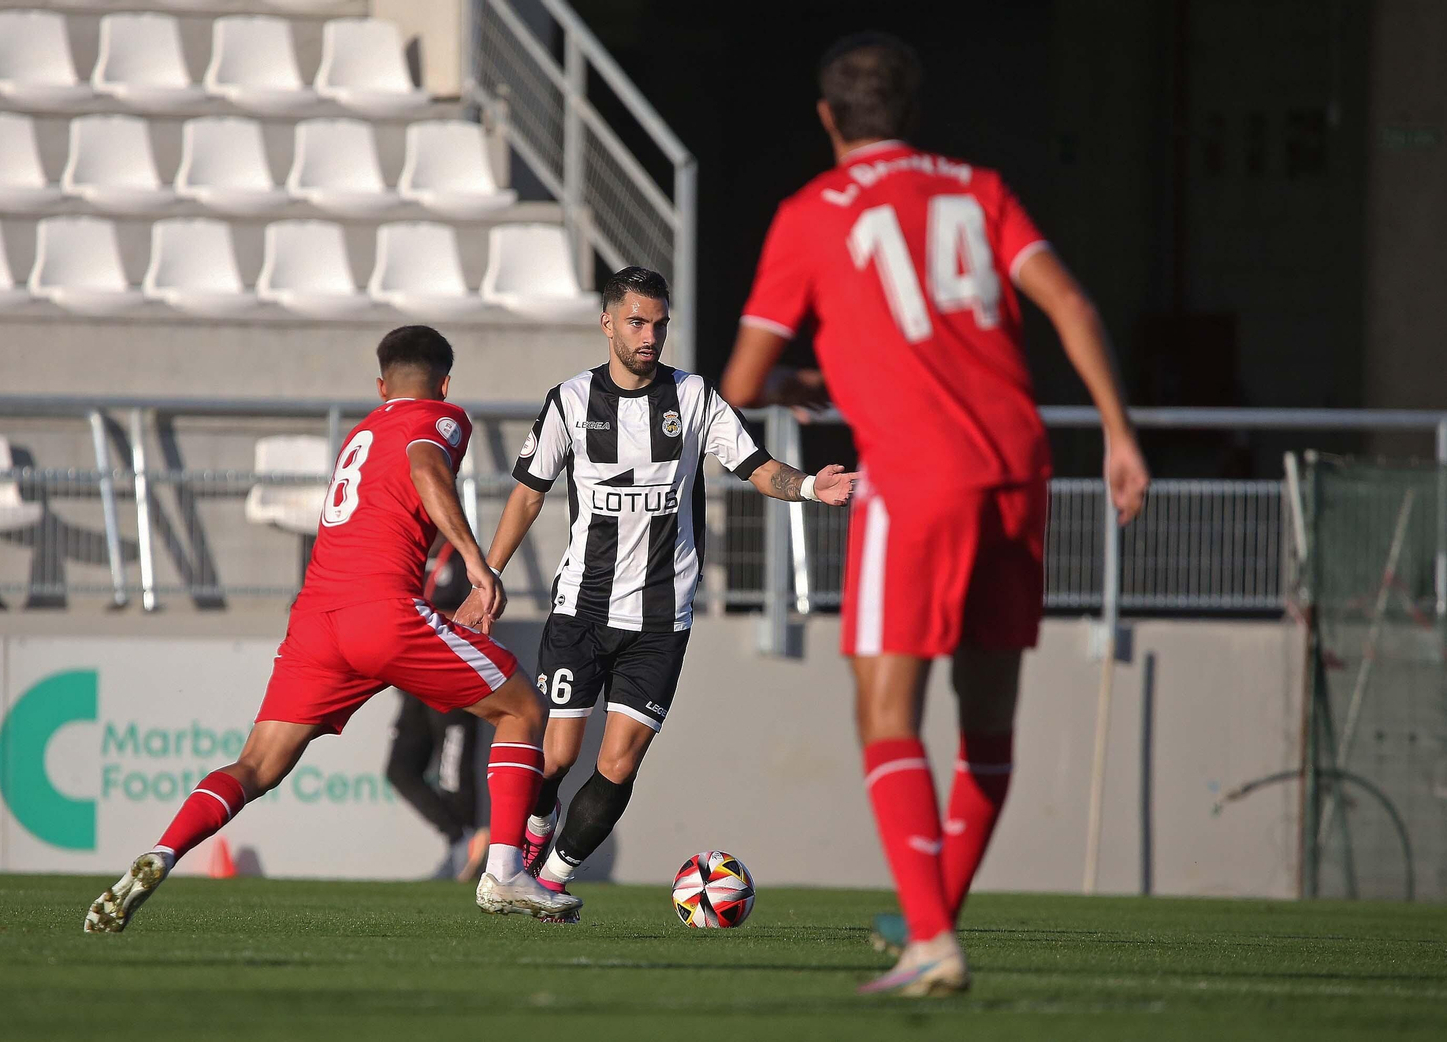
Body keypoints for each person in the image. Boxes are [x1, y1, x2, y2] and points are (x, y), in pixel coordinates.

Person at [721, 33, 1150, 996]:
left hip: (916, 479)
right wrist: (1121, 436)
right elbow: (1071, 304)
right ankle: (930, 918)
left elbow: (742, 382)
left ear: (829, 119)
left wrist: (798, 378)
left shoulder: (809, 213)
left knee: (885, 708)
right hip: (1019, 469)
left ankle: (931, 940)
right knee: (988, 723)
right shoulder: (978, 188)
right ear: (911, 116)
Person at [85, 326, 580, 932]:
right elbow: (425, 465)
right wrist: (477, 562)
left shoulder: (360, 433)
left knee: (256, 765)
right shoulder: (443, 416)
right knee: (522, 710)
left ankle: (163, 851)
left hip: (316, 620)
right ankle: (504, 872)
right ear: (445, 382)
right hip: (383, 612)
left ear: (380, 386)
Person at [454, 266, 856, 920]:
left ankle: (548, 880)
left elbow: (754, 467)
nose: (650, 335)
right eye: (637, 322)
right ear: (607, 322)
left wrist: (811, 487)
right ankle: (533, 833)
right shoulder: (571, 401)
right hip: (581, 608)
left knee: (617, 762)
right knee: (554, 757)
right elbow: (529, 493)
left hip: (660, 620)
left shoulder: (694, 398)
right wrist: (488, 574)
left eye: (660, 323)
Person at [385, 541, 491, 882]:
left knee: (452, 775)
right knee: (401, 769)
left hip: (451, 680)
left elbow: (474, 616)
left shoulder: (462, 559)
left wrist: (424, 621)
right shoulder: (404, 555)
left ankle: (465, 848)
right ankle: (460, 840)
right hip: (413, 681)